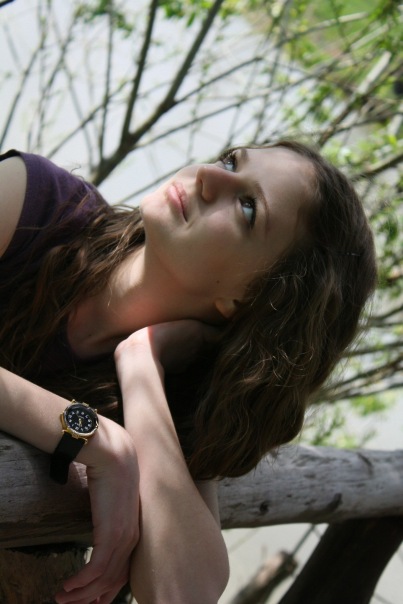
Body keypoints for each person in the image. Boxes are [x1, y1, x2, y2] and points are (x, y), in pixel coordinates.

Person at [0, 140, 377, 604]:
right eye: (231, 161)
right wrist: (94, 439)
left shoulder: (182, 390)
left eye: (247, 207)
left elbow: (183, 592)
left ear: (250, 299)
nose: (208, 175)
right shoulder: (36, 201)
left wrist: (140, 363)